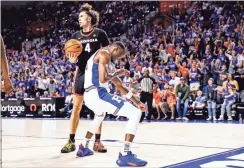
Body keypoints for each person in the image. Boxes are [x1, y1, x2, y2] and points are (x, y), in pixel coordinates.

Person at [77, 42, 147, 167]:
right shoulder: (104, 54)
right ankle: (125, 155)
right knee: (135, 113)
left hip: (91, 95)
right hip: (97, 93)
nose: (117, 58)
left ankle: (84, 146)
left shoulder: (105, 61)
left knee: (99, 117)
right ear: (114, 48)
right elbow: (103, 79)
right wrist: (118, 72)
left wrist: (138, 102)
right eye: (118, 55)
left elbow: (120, 86)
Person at [61, 3, 109, 153]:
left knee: (98, 108)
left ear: (89, 18)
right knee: (76, 107)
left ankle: (97, 141)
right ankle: (71, 141)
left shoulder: (100, 34)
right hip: (81, 73)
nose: (79, 19)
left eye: (81, 16)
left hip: (94, 74)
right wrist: (72, 60)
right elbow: (73, 58)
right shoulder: (75, 37)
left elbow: (107, 54)